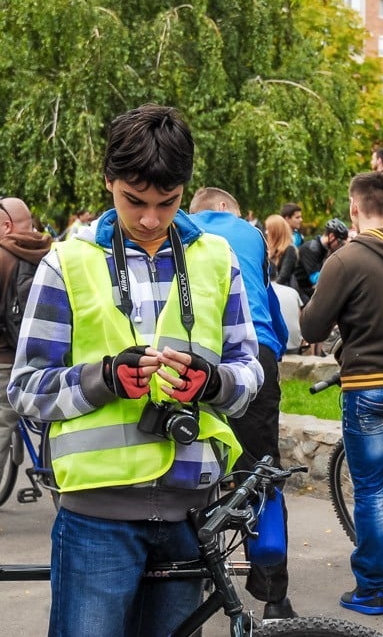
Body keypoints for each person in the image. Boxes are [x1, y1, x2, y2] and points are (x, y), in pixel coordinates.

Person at [7, 104, 263, 637]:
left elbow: (247, 369)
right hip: (96, 519)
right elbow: (26, 390)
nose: (150, 218)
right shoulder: (67, 262)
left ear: (184, 188)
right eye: (134, 201)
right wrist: (103, 379)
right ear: (109, 181)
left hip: (190, 512)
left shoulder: (217, 259)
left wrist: (213, 383)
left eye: (167, 202)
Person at [299, 171, 383, 616]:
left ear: (354, 208)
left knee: (372, 491)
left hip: (370, 386)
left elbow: (312, 327)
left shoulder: (345, 259)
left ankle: (370, 591)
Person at [188, 187, 296, 620]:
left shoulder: (182, 228)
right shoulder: (252, 235)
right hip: (255, 357)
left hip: (195, 356)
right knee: (261, 471)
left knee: (189, 467)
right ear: (224, 208)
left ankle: (186, 578)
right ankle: (275, 597)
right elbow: (268, 305)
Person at [0, 197, 53, 477]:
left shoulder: (2, 255)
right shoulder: (50, 252)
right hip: (42, 355)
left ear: (7, 225)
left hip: (5, 361)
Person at [295, 217, 349, 299]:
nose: (340, 246)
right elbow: (316, 278)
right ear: (331, 236)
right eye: (340, 242)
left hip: (307, 289)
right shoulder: (311, 249)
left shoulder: (324, 249)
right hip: (298, 290)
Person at [265, 214, 299, 290]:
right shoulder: (271, 250)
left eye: (268, 229)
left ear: (276, 232)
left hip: (285, 293)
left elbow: (284, 276)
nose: (266, 232)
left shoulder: (290, 250)